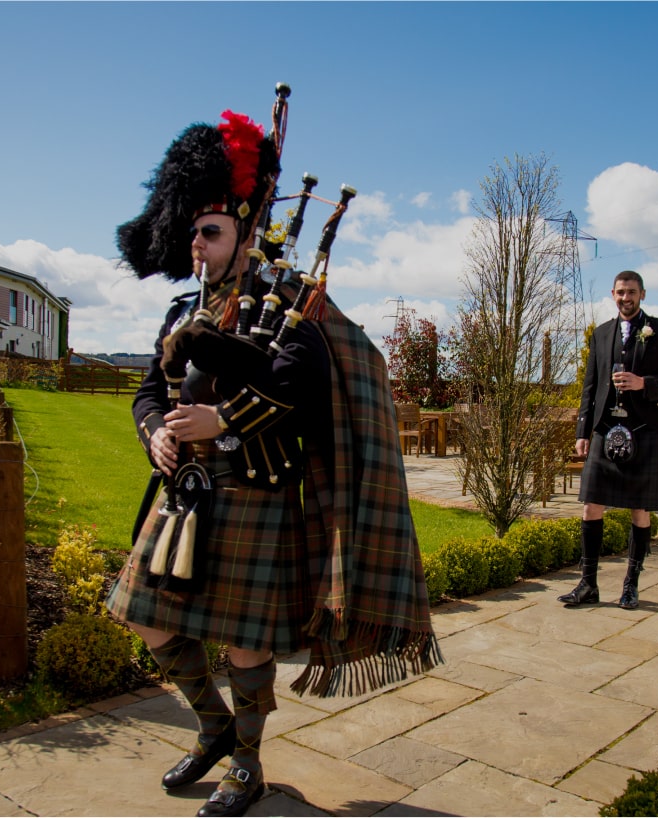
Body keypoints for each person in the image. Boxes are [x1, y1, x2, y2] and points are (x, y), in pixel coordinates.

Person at [106, 106, 438, 817]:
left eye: (211, 231)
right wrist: (154, 435)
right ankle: (214, 729)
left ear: (247, 233)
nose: (196, 245)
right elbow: (146, 391)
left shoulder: (286, 302)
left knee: (244, 644)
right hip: (184, 493)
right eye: (191, 231)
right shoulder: (178, 311)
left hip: (253, 490)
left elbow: (298, 386)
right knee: (147, 619)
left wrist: (221, 417)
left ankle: (248, 767)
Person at [560, 270, 658, 609]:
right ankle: (588, 584)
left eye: (631, 292)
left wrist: (645, 383)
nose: (625, 298)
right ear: (612, 294)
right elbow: (591, 385)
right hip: (605, 430)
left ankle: (631, 585)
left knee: (639, 509)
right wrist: (582, 432)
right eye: (620, 292)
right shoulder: (602, 333)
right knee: (590, 506)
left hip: (643, 431)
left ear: (642, 294)